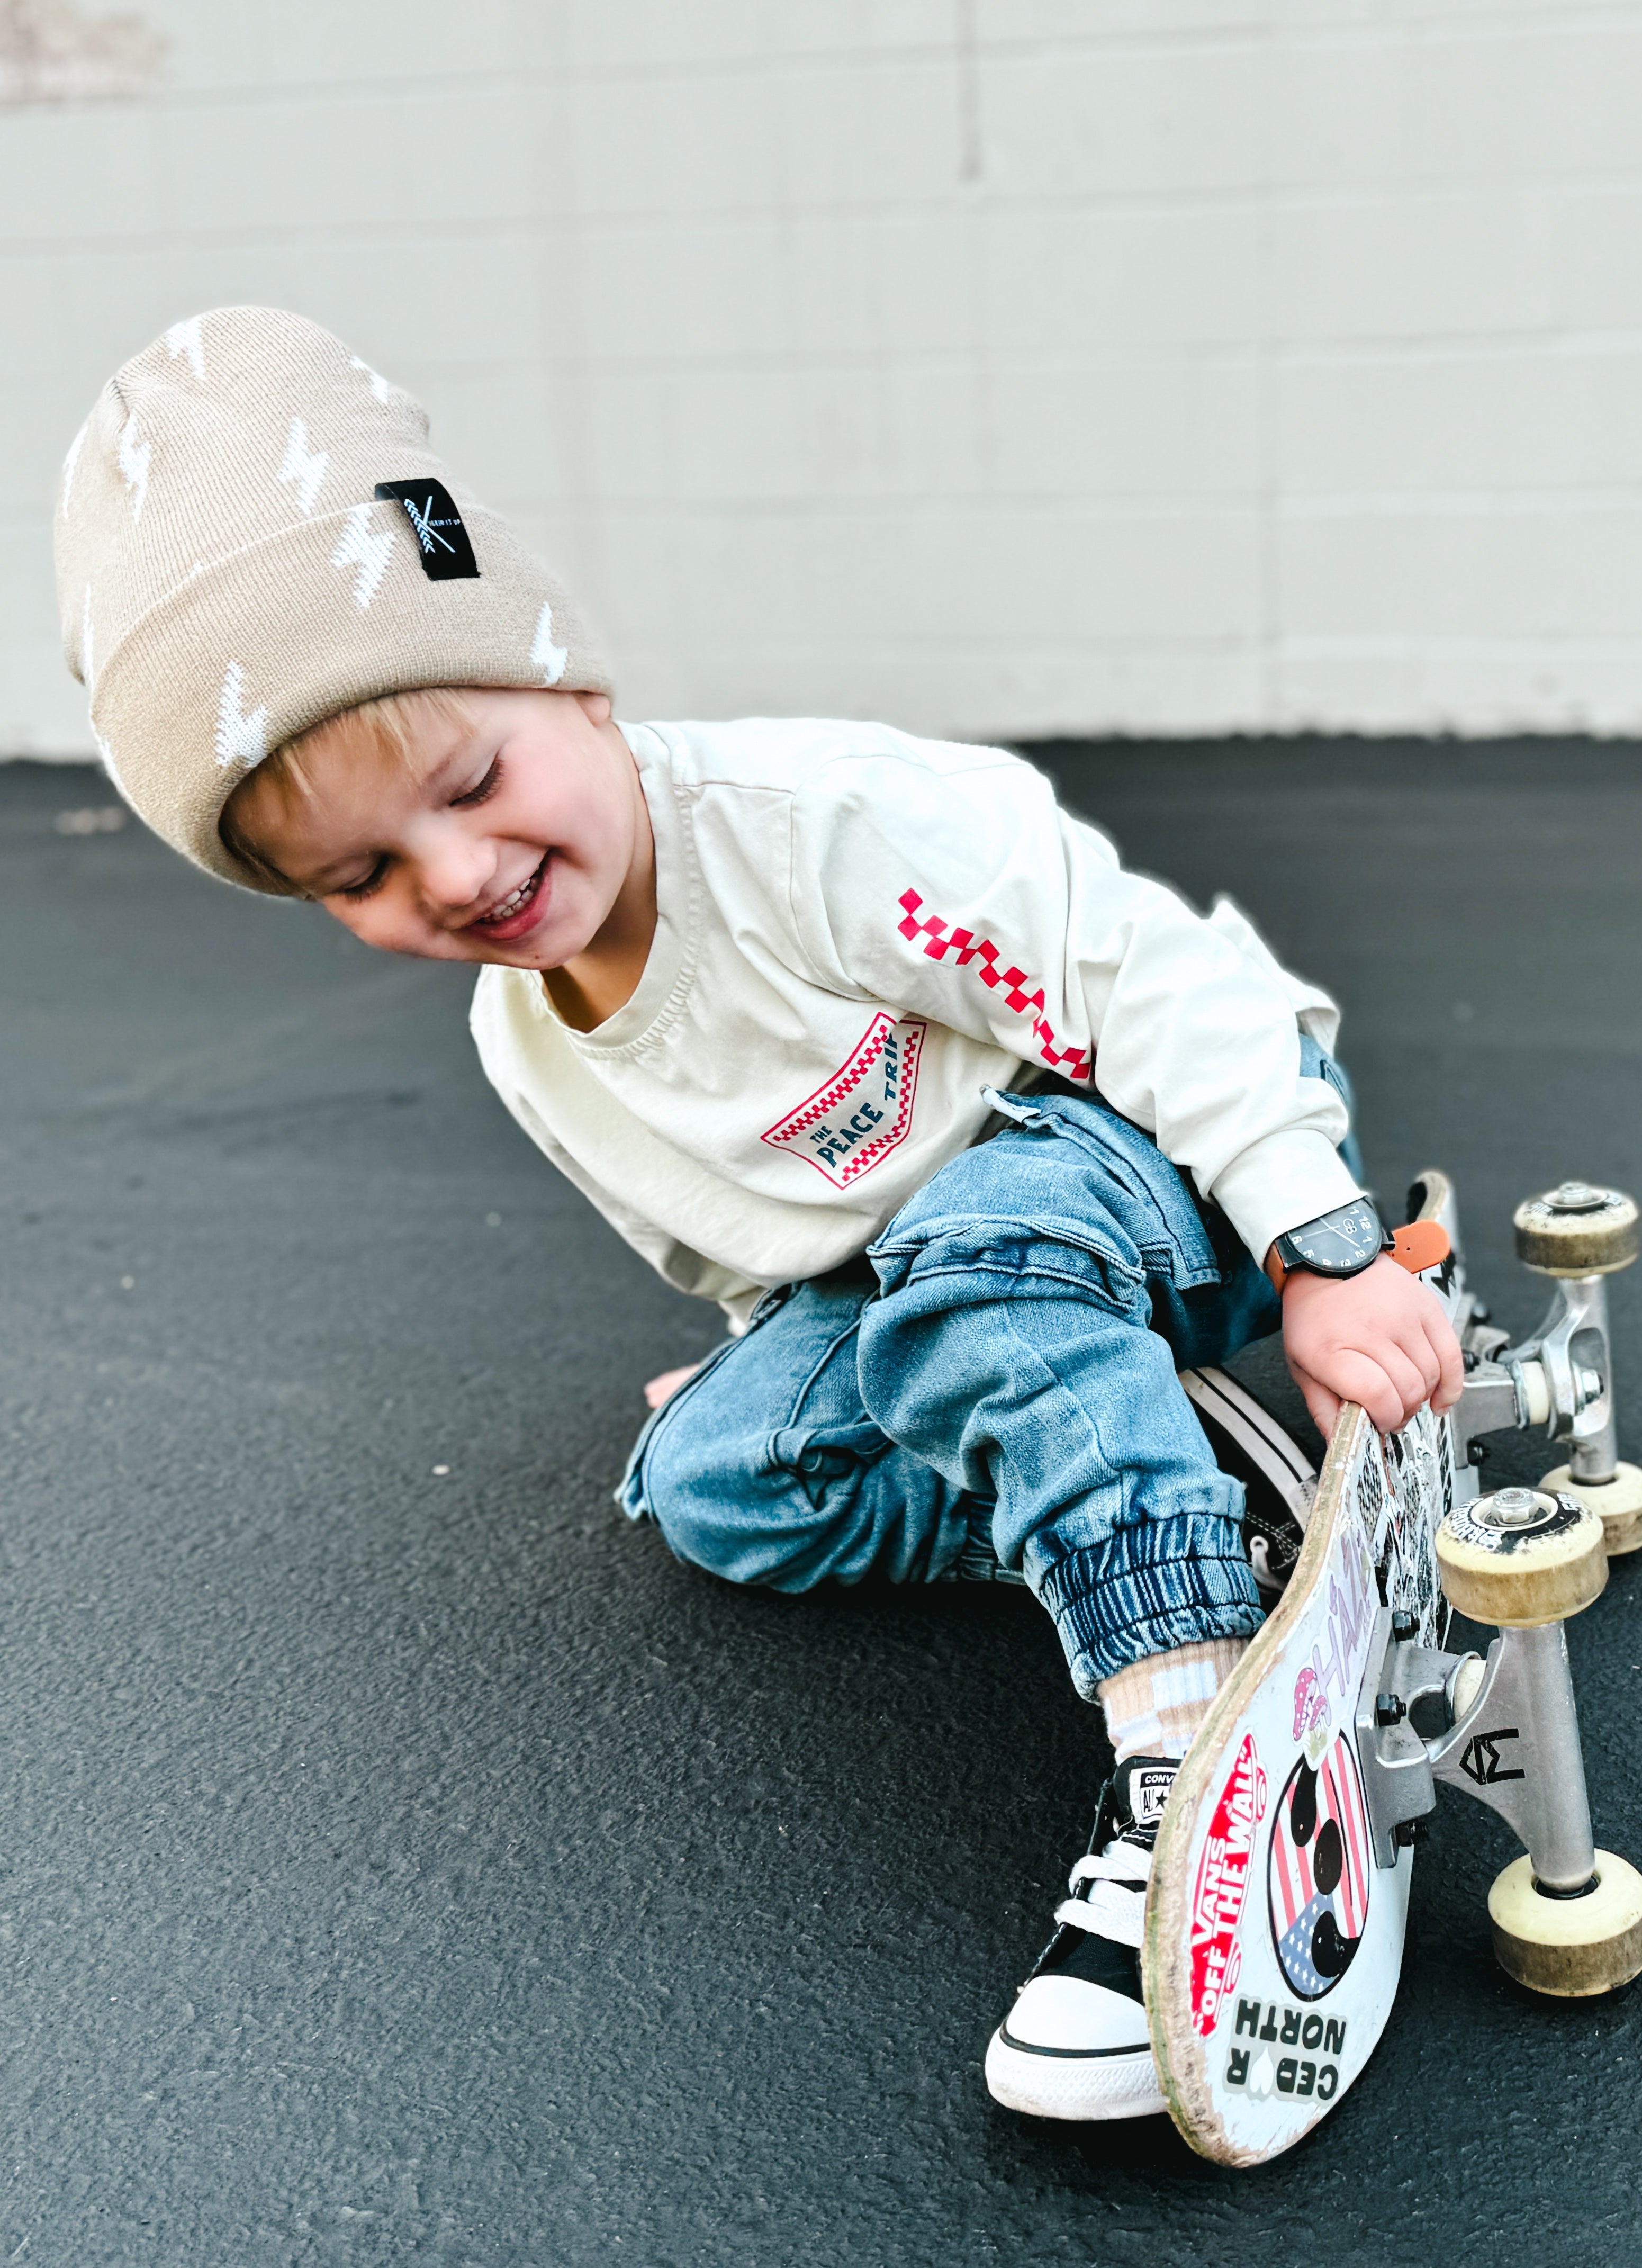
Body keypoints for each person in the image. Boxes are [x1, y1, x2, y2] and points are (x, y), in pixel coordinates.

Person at [55, 307, 1463, 2125]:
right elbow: (749, 1249)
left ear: (572, 682)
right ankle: (1158, 1490)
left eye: (474, 784)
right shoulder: (531, 1044)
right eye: (363, 877)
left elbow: (1149, 976)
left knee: (978, 1274)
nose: (460, 876)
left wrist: (1320, 1249)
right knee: (716, 1479)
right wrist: (755, 1372)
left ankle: (1191, 1740)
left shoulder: (812, 825)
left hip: (1154, 1136)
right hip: (943, 1276)